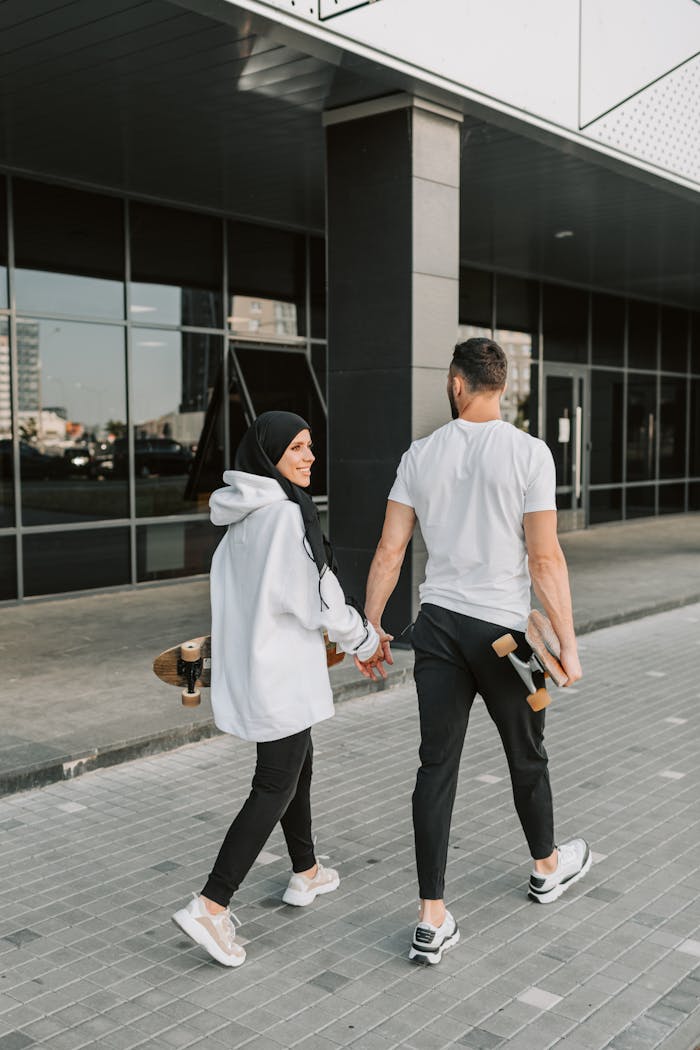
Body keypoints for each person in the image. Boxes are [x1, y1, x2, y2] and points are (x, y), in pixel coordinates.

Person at [358, 337, 591, 965]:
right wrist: (568, 646)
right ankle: (546, 867)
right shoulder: (529, 453)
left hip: (436, 629)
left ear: (457, 384)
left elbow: (390, 551)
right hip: (506, 638)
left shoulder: (419, 455)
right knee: (528, 753)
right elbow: (544, 558)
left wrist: (371, 625)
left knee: (436, 766)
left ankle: (431, 918)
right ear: (503, 386)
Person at [172, 411, 382, 967]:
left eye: (311, 446)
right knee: (274, 785)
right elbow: (316, 600)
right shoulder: (284, 519)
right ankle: (211, 905)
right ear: (269, 456)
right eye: (296, 448)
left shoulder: (241, 522)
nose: (309, 456)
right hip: (282, 677)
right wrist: (362, 638)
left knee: (297, 768)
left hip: (260, 672)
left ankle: (306, 873)